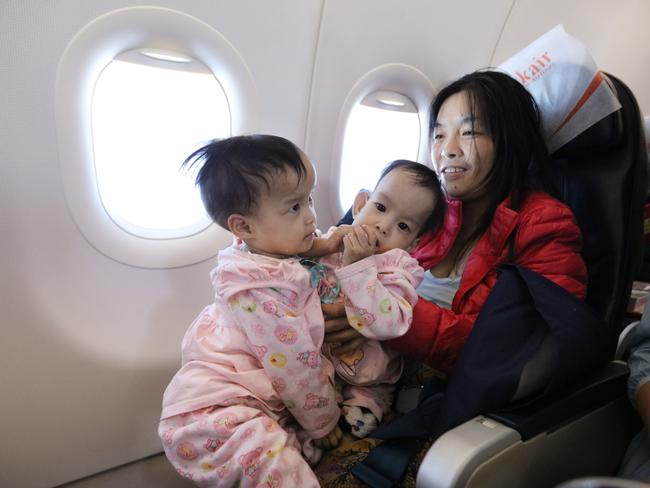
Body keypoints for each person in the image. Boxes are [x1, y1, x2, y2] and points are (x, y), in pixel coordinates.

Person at [315, 69, 588, 487]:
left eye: (470, 132)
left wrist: (380, 318)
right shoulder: (427, 209)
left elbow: (514, 354)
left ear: (509, 139)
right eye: (440, 135)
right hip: (359, 373)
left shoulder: (544, 223)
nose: (448, 150)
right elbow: (340, 262)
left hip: (447, 406)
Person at [157, 136, 442, 487]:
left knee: (297, 456)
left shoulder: (274, 254)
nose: (310, 216)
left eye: (308, 201)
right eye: (295, 208)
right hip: (221, 410)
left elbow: (387, 316)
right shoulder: (257, 291)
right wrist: (322, 423)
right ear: (244, 227)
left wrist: (329, 247)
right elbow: (293, 362)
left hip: (259, 399)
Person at [312, 160, 444, 438]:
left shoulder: (400, 270)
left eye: (404, 226)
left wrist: (357, 267)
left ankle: (370, 400)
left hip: (369, 367)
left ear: (414, 243)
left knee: (370, 389)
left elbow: (389, 322)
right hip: (322, 358)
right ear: (360, 205)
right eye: (381, 208)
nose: (384, 226)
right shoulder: (331, 241)